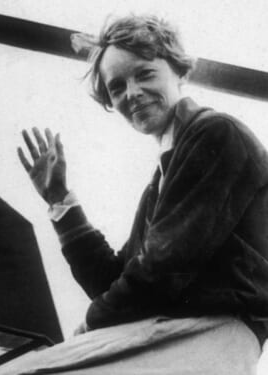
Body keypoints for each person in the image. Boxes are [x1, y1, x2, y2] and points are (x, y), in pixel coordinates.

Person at [15, 14, 268, 374]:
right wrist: (59, 199)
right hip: (170, 329)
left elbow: (163, 269)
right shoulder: (163, 180)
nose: (131, 93)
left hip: (210, 330)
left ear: (179, 71)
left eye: (145, 74)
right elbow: (113, 280)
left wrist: (90, 323)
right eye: (117, 87)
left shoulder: (215, 135)